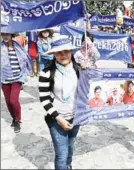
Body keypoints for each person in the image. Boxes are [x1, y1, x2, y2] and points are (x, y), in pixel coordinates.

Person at [38, 36, 80, 169]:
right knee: (61, 154)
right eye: (59, 52)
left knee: (70, 149)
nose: (63, 55)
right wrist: (59, 118)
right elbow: (44, 99)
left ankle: (68, 166)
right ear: (54, 54)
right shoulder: (46, 73)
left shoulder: (79, 70)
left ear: (71, 52)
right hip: (57, 120)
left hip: (75, 118)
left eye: (66, 51)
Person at [1, 32, 32, 133]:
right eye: (3, 34)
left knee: (13, 100)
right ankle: (14, 119)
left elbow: (25, 58)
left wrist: (26, 72)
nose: (5, 36)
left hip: (17, 78)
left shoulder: (17, 46)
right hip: (4, 78)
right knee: (8, 102)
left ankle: (18, 120)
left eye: (7, 34)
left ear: (11, 35)